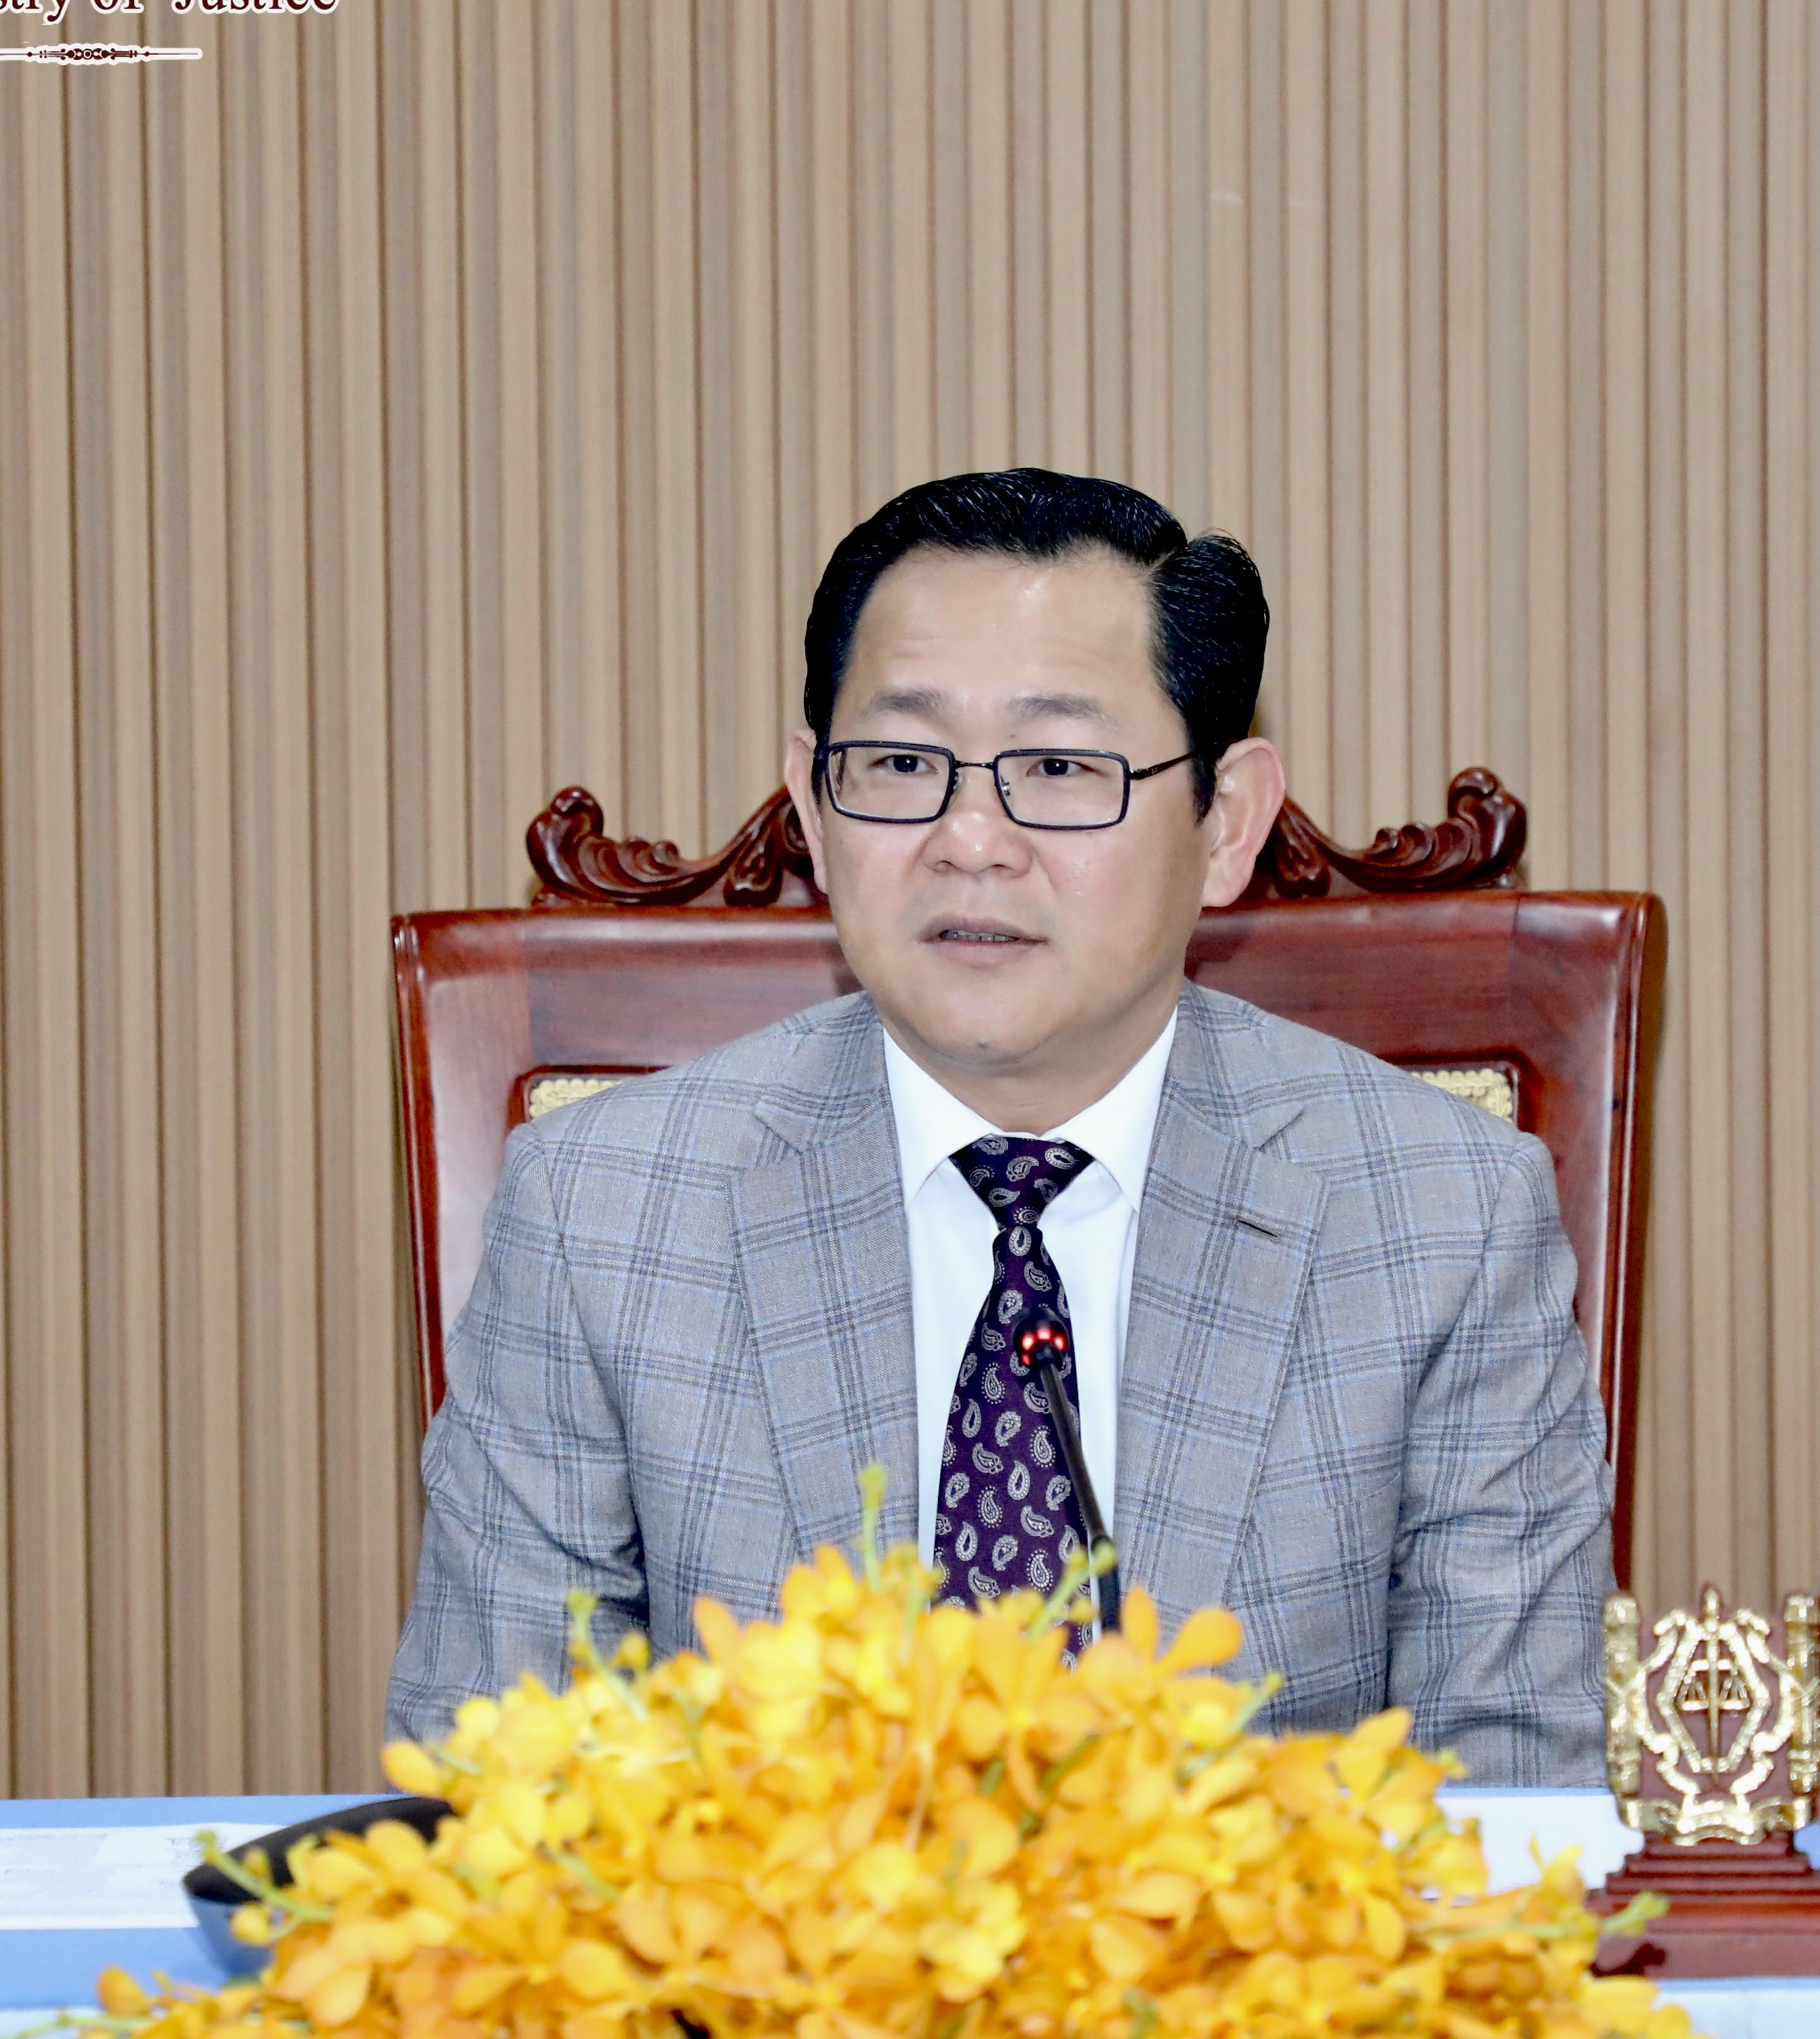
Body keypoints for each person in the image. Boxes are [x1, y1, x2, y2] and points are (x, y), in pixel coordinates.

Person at [387, 468, 1612, 1782]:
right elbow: (495, 1791)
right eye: (902, 764)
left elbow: (1515, 1800)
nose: (971, 841)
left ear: (1228, 824)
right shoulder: (600, 1215)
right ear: (812, 805)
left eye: (1060, 768)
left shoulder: (1445, 1219)